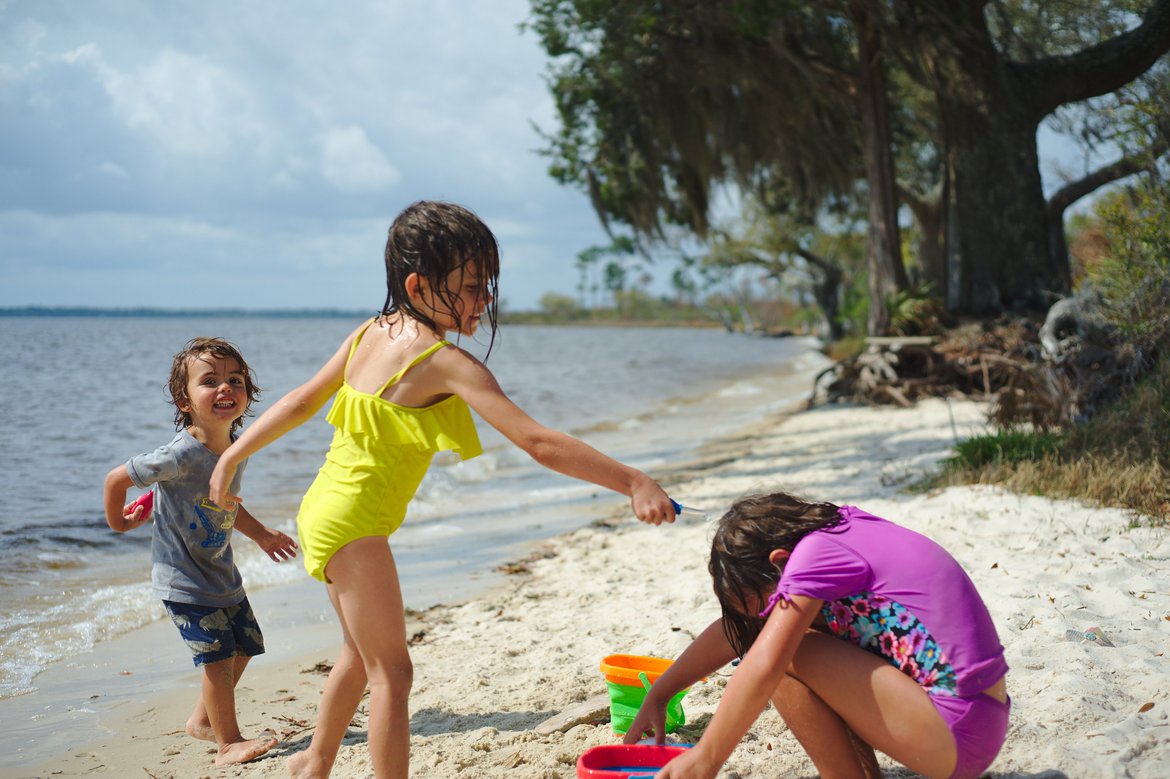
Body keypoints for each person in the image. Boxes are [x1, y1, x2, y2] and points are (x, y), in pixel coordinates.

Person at [208, 200, 677, 778]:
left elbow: (302, 400)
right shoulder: (443, 363)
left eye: (487, 287)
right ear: (418, 284)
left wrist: (233, 453)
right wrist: (633, 481)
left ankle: (316, 762)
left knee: (360, 655)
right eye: (473, 286)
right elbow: (538, 442)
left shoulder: (370, 333)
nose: (485, 301)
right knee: (393, 676)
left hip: (325, 511)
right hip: (354, 526)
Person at [624, 491, 1010, 779]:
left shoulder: (814, 555)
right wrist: (661, 693)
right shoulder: (842, 528)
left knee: (784, 650)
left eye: (765, 606)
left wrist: (705, 759)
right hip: (974, 720)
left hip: (956, 730)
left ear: (778, 561)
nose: (765, 617)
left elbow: (765, 660)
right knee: (784, 638)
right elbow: (736, 632)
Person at [103, 337, 299, 767]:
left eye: (235, 379)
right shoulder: (179, 453)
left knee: (247, 644)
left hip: (220, 573)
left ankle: (202, 721)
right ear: (185, 401)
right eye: (209, 381)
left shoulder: (235, 447)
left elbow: (224, 500)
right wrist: (120, 522)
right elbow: (117, 477)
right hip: (183, 578)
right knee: (218, 656)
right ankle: (228, 742)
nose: (225, 388)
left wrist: (263, 534)